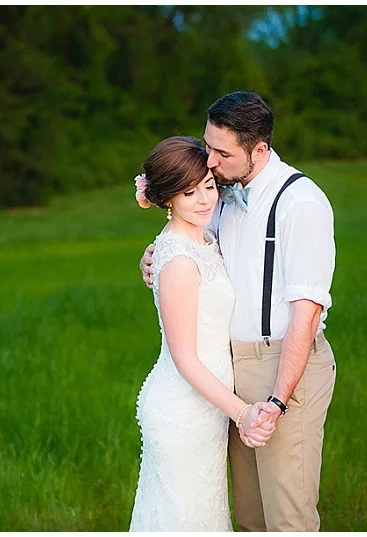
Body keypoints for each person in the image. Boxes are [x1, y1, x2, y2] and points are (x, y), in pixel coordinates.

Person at [140, 92, 337, 532]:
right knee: (248, 517)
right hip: (227, 374)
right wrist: (151, 256)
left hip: (283, 365)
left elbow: (305, 314)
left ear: (259, 149)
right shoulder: (222, 193)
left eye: (221, 152)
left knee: (287, 516)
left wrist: (277, 400)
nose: (209, 162)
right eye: (208, 146)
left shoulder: (299, 203)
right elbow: (183, 243)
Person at [128, 135, 276, 532]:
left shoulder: (205, 239)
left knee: (206, 516)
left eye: (208, 186)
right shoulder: (177, 258)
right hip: (183, 410)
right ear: (166, 200)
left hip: (207, 408)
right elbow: (186, 359)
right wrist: (242, 413)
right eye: (188, 192)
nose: (204, 200)